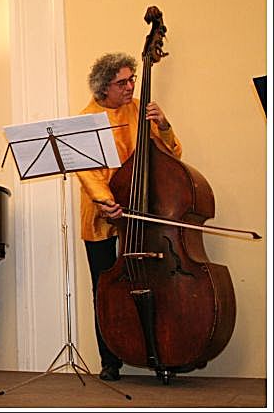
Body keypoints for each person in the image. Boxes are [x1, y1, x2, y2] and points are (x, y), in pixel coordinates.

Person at [74, 53, 182, 381]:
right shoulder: (86, 119)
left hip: (141, 215)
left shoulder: (140, 109)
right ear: (104, 87)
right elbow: (87, 171)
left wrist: (163, 125)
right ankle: (110, 361)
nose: (131, 86)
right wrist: (106, 200)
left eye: (133, 79)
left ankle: (160, 354)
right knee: (104, 289)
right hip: (101, 216)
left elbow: (172, 155)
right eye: (123, 82)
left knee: (152, 283)